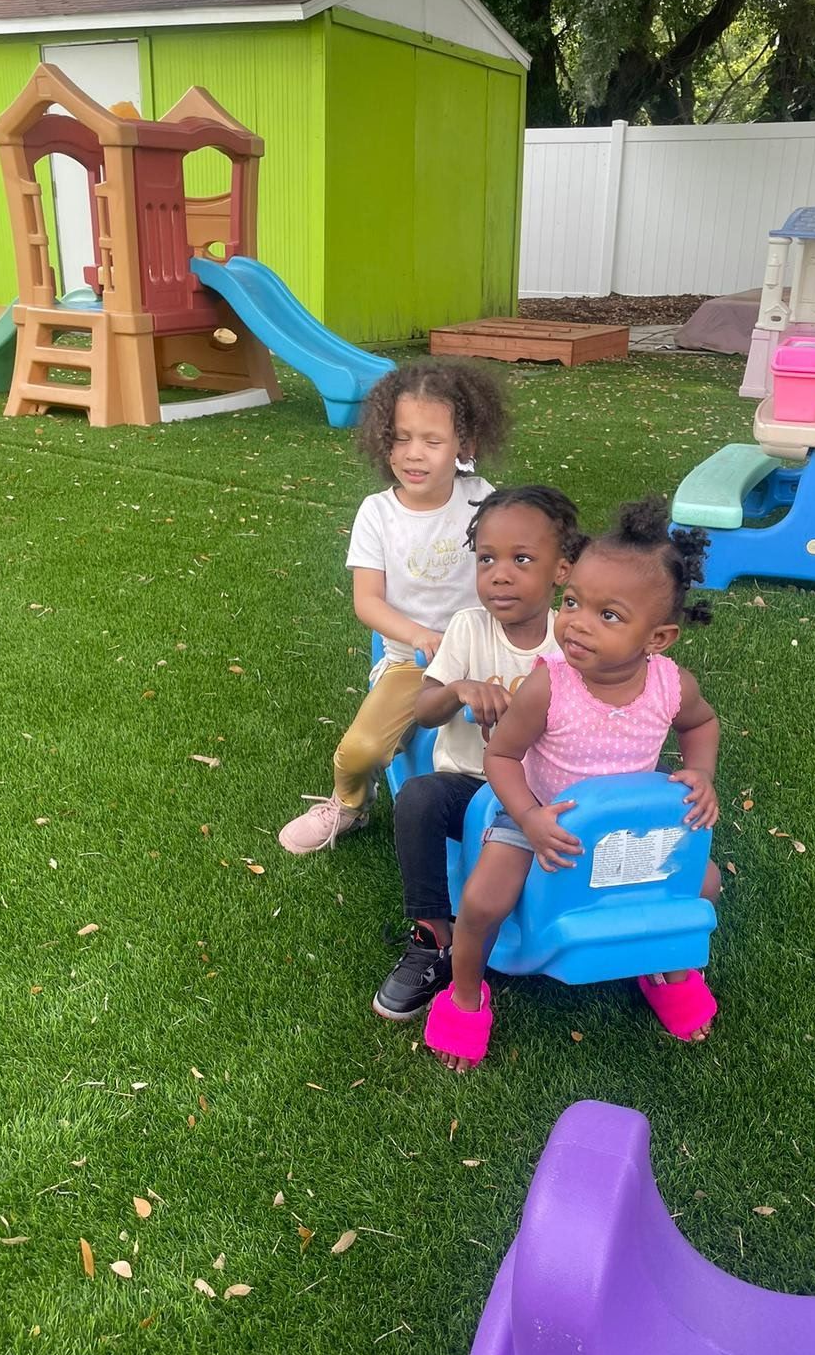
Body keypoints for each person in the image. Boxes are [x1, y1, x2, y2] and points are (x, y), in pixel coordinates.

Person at [423, 496, 722, 1070]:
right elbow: (503, 757)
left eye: (608, 615)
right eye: (573, 602)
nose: (577, 623)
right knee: (484, 901)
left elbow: (702, 723)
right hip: (540, 814)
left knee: (702, 885)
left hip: (630, 825)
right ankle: (465, 995)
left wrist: (700, 772)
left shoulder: (671, 685)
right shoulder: (548, 687)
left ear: (657, 639)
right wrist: (530, 819)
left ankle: (666, 968)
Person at [278, 359, 509, 855]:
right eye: (401, 438)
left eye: (432, 440)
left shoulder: (483, 500)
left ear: (463, 445)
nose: (414, 454)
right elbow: (368, 602)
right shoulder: (378, 513)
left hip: (489, 656)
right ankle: (350, 805)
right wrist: (421, 636)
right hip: (416, 663)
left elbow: (512, 569)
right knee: (359, 752)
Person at [372, 486, 585, 1021]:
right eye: (486, 559)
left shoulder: (572, 643)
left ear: (561, 570)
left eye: (522, 559)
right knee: (417, 799)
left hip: (544, 789)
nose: (500, 574)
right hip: (469, 787)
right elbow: (423, 712)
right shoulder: (469, 628)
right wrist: (459, 689)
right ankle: (432, 937)